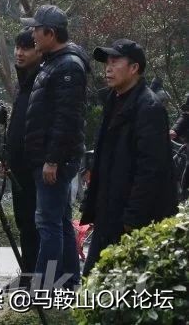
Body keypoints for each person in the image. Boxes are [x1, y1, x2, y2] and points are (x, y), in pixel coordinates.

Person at [81, 39, 178, 275]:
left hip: (133, 219)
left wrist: (132, 219)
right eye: (107, 62)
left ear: (134, 68)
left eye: (115, 61)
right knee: (94, 285)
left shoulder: (149, 108)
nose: (108, 67)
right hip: (109, 211)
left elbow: (150, 170)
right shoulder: (114, 100)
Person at [20, 4, 87, 289]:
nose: (32, 34)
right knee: (59, 222)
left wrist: (52, 159)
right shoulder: (54, 61)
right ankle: (70, 283)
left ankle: (42, 289)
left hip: (54, 159)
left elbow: (66, 119)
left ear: (50, 33)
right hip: (48, 156)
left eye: (36, 29)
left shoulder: (68, 65)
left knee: (48, 224)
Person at [4, 29, 42, 285]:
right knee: (23, 220)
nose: (19, 53)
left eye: (26, 48)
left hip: (35, 165)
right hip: (18, 164)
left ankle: (37, 278)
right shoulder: (24, 80)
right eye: (17, 47)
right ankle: (27, 273)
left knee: (34, 222)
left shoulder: (43, 79)